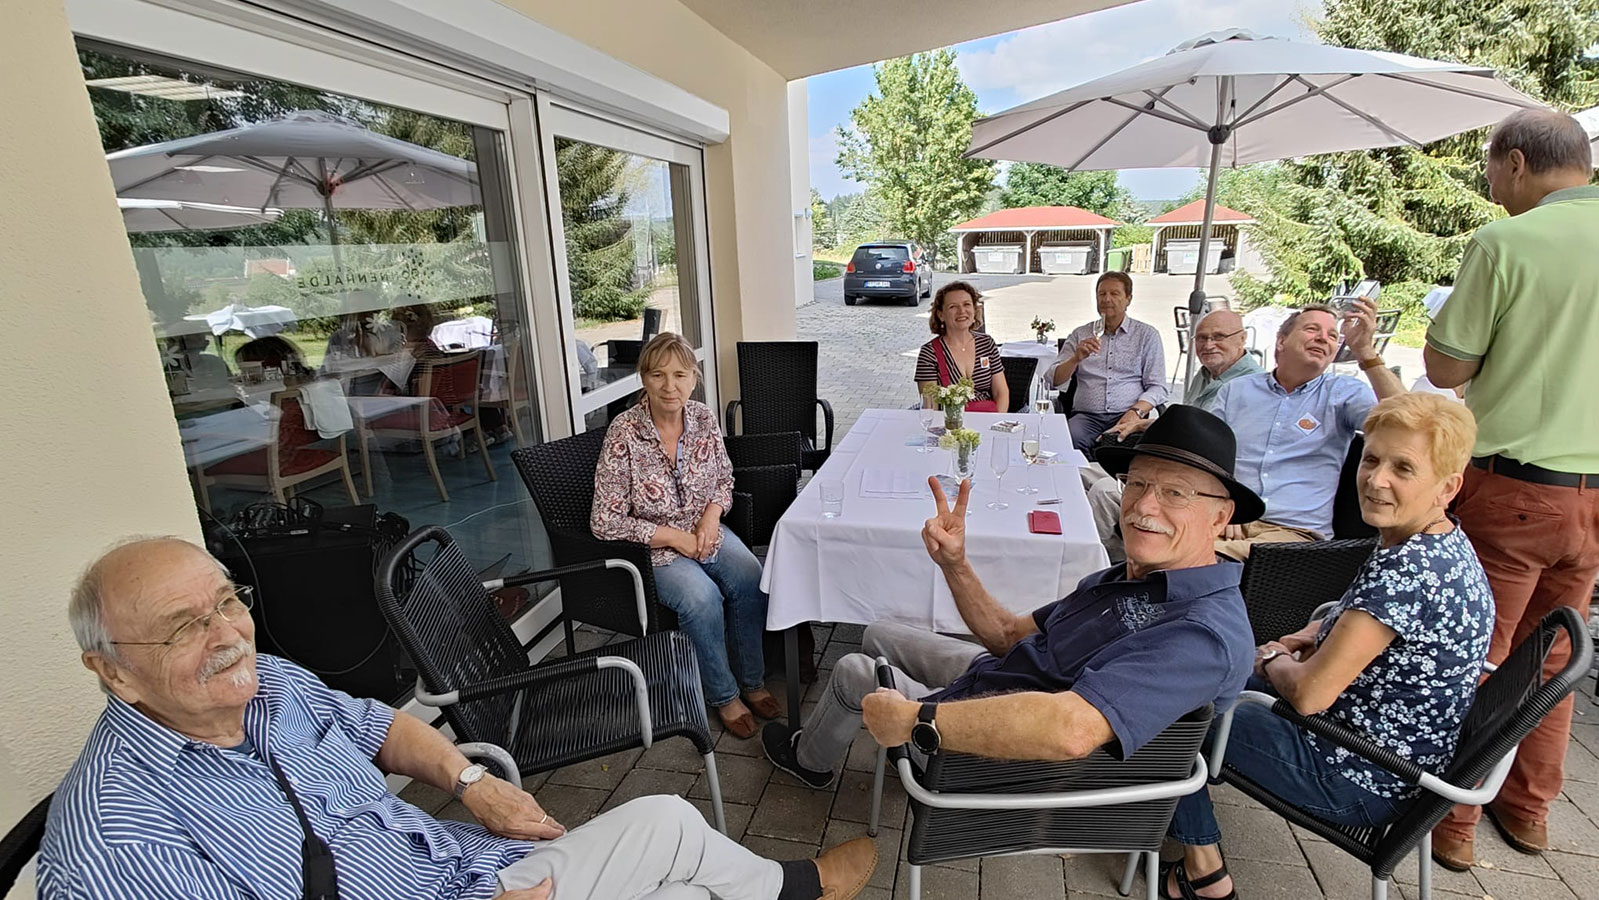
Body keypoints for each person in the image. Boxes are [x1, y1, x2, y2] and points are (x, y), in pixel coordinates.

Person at [39, 538, 878, 900]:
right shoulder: (118, 833)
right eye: (185, 626)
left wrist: (471, 780)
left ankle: (784, 891)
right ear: (109, 668)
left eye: (228, 601)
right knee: (667, 826)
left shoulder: (271, 688)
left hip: (468, 868)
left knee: (692, 883)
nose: (227, 636)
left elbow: (375, 724)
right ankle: (796, 889)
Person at [761, 405, 1258, 790]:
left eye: (1177, 494)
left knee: (851, 671)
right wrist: (954, 564)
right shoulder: (1127, 579)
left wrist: (918, 719)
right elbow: (1006, 634)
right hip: (1000, 681)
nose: (1145, 505)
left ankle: (810, 763)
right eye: (1138, 483)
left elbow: (1070, 730)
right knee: (877, 632)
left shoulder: (1202, 632)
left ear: (1221, 516)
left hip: (1005, 757)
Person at [1162, 393, 1493, 900]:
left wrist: (1274, 657)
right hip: (1404, 760)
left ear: (1447, 487)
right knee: (1197, 673)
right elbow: (1383, 627)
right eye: (1373, 458)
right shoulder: (1441, 544)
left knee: (1173, 711)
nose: (1377, 479)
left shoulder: (1404, 572)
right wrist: (1315, 633)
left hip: (1360, 778)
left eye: (1403, 468)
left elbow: (1311, 696)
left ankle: (1205, 872)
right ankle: (1167, 804)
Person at [1425, 108, 1599, 869]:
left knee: (1481, 656)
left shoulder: (1507, 240)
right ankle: (1528, 812)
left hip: (1516, 486)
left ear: (1517, 163)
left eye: (1491, 169)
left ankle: (1453, 825)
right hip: (1595, 498)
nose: (1490, 184)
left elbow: (1445, 369)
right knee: (1553, 656)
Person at [592, 332, 778, 738]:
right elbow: (604, 521)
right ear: (643, 378)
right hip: (656, 550)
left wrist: (712, 516)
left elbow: (724, 479)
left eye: (679, 375)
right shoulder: (624, 433)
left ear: (694, 378)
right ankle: (724, 695)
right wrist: (673, 538)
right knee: (701, 599)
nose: (669, 386)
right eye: (658, 375)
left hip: (707, 531)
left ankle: (752, 680)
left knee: (752, 579)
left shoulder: (703, 418)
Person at [1209, 301, 1404, 560]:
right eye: (1312, 330)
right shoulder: (1236, 390)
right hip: (1226, 518)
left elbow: (1406, 422)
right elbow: (1206, 456)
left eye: (1332, 336)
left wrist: (1366, 352)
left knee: (1196, 561)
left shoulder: (1343, 393)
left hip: (1294, 535)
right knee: (1149, 546)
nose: (1323, 338)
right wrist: (1223, 501)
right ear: (1281, 341)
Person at [1085, 309, 1264, 561]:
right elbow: (1189, 430)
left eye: (1219, 336)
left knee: (1103, 492)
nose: (1208, 345)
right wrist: (1142, 424)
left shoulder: (1251, 387)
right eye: (1201, 338)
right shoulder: (1205, 374)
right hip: (1166, 465)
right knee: (1078, 471)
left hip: (1188, 485)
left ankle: (1115, 566)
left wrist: (1227, 500)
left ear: (1242, 339)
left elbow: (1246, 454)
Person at [1048, 271, 1169, 454]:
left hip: (1127, 414)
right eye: (1102, 294)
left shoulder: (1146, 335)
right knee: (1065, 440)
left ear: (1128, 299)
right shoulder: (1081, 334)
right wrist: (1075, 359)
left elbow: (1158, 387)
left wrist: (1136, 412)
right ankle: (1084, 481)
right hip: (1087, 417)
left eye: (1114, 293)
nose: (1106, 299)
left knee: (1123, 447)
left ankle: (1108, 480)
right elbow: (1053, 379)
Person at [914, 281, 1008, 412]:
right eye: (953, 307)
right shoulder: (929, 353)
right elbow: (931, 405)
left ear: (974, 310)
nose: (962, 311)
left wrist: (997, 424)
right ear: (941, 315)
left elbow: (1001, 393)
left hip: (989, 421)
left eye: (967, 304)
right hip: (949, 425)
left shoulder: (987, 343)